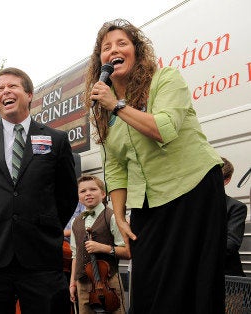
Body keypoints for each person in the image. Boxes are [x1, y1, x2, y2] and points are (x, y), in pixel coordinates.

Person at [85, 19, 226, 313]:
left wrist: (118, 105)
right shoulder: (102, 111)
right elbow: (115, 169)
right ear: (100, 61)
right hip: (148, 204)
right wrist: (120, 218)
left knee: (189, 287)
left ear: (136, 51)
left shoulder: (165, 79)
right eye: (106, 47)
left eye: (122, 43)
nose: (114, 50)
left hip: (193, 188)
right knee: (148, 289)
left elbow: (165, 128)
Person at [0, 67, 78, 313]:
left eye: (11, 86)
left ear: (29, 94)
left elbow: (67, 196)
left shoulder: (56, 139)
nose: (5, 92)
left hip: (41, 256)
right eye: (0, 89)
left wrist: (45, 224)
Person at [69, 175, 129, 313]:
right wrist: (73, 282)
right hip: (83, 284)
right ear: (78, 196)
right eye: (83, 191)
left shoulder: (112, 217)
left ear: (103, 194)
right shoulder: (75, 222)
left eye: (93, 189)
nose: (88, 193)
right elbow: (75, 255)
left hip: (109, 282)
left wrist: (103, 248)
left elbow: (127, 252)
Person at [222, 157, 246, 277]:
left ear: (227, 180)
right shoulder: (192, 205)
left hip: (228, 280)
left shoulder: (236, 207)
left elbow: (231, 244)